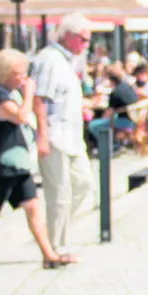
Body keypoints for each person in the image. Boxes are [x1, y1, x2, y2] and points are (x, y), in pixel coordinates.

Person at [0, 49, 73, 271]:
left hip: (17, 163)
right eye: (19, 74)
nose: (23, 78)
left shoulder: (9, 93)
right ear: (6, 73)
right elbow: (19, 116)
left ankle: (48, 254)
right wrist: (29, 93)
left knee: (33, 206)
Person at [31, 13, 96, 254]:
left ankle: (51, 234)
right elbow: (39, 100)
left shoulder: (66, 61)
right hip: (55, 135)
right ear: (68, 36)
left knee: (83, 183)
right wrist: (43, 135)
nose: (86, 45)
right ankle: (55, 247)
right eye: (83, 39)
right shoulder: (49, 59)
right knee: (59, 192)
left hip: (72, 137)